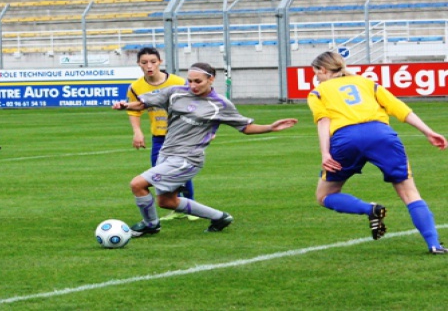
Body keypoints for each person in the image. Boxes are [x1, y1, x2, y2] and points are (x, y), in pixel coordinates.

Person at [113, 62, 297, 236]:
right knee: (167, 202)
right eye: (190, 81)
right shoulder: (176, 92)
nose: (193, 85)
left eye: (198, 81)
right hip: (167, 154)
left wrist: (270, 127)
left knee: (137, 184)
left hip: (188, 159)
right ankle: (220, 218)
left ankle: (150, 225)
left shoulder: (220, 104)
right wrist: (126, 105)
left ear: (211, 79)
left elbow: (245, 127)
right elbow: (144, 103)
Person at [307, 51, 447, 254]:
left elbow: (324, 121)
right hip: (381, 135)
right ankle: (434, 245)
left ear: (323, 70)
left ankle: (369, 209)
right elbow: (398, 107)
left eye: (316, 73)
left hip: (346, 140)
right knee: (409, 192)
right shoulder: (367, 83)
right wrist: (428, 131)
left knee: (324, 195)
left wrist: (325, 154)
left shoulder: (318, 92)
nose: (317, 78)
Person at [126, 47, 199, 221]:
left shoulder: (179, 82)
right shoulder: (136, 87)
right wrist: (137, 132)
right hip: (159, 136)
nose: (149, 66)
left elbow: (196, 105)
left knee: (180, 170)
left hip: (181, 135)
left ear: (160, 62)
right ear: (139, 64)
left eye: (153, 62)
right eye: (144, 63)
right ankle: (175, 206)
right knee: (159, 174)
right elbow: (134, 111)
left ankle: (190, 205)